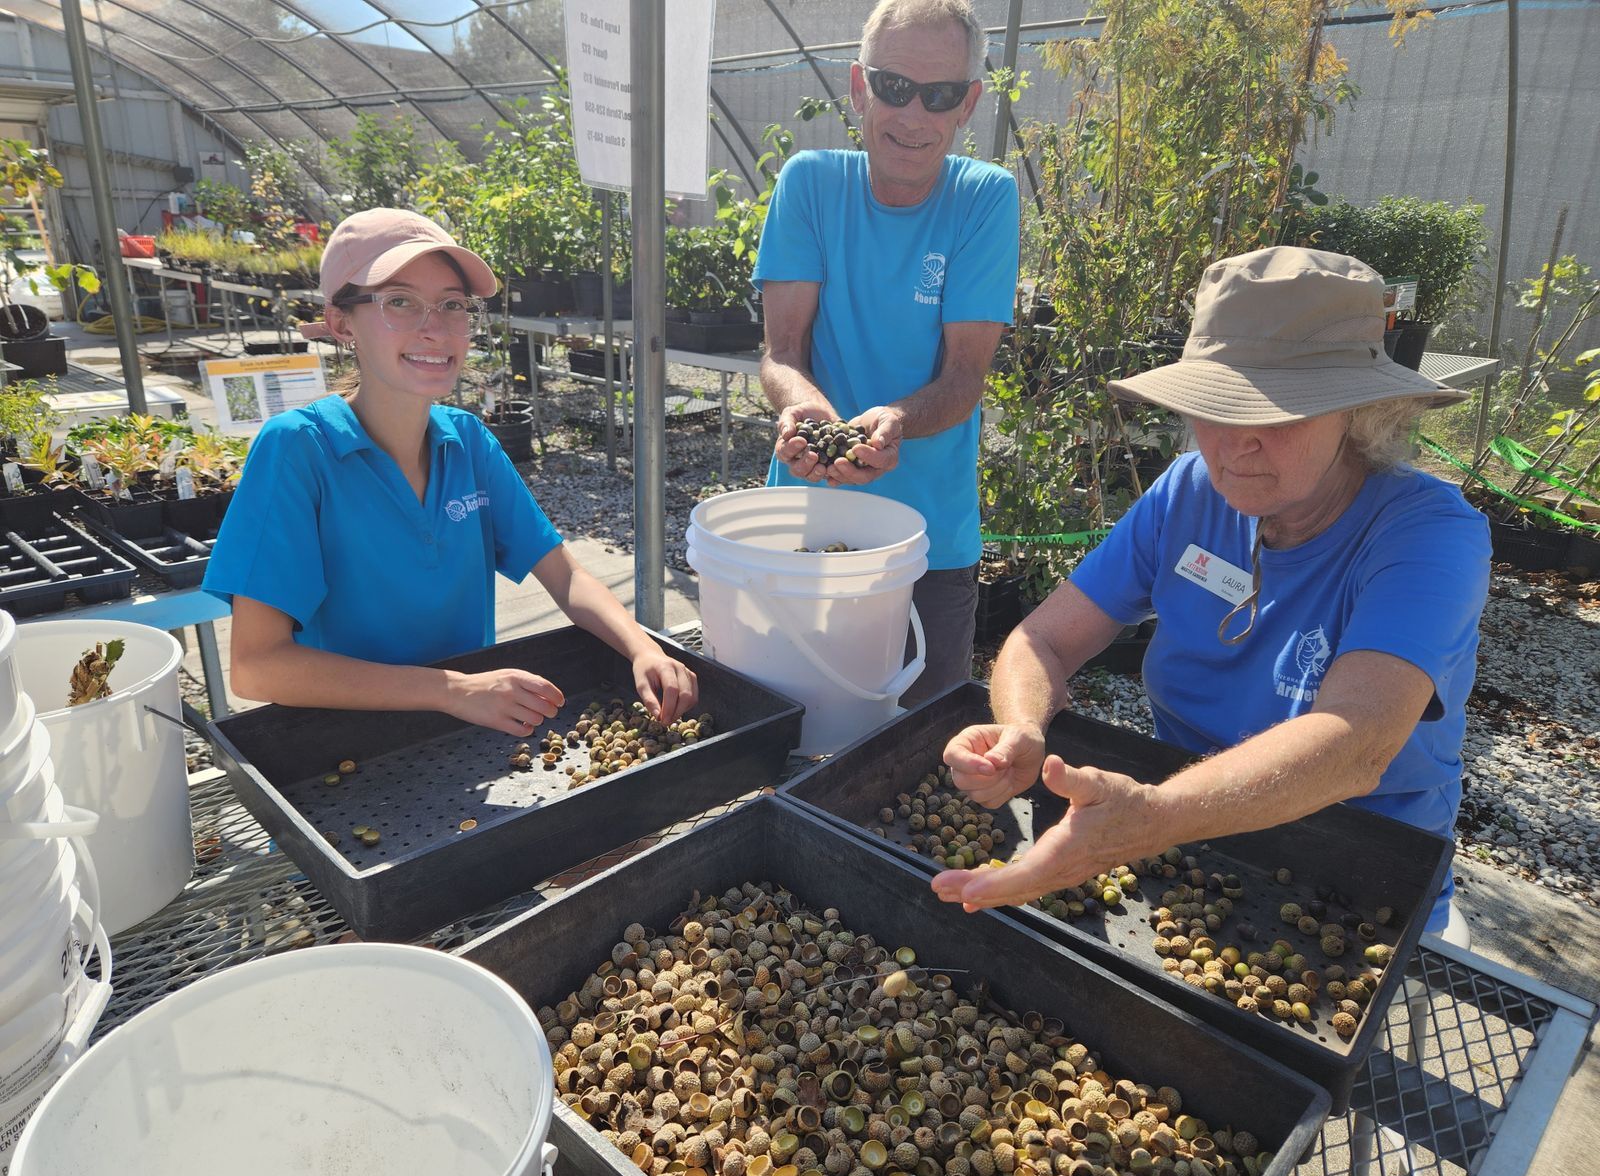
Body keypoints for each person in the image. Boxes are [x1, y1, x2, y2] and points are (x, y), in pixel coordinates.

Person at [935, 246, 1487, 932]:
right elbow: (1040, 638)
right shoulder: (1189, 492)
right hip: (1190, 838)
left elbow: (1357, 744)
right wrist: (1021, 727)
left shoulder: (1428, 533)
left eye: (1278, 413)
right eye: (1215, 406)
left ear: (1360, 413)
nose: (1234, 444)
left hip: (1354, 878)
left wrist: (1156, 818)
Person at [203, 208, 696, 735]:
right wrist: (451, 690)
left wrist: (642, 647)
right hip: (347, 745)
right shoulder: (299, 451)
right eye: (399, 302)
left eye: (452, 305)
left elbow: (565, 575)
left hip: (464, 733)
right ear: (342, 322)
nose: (435, 328)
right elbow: (257, 667)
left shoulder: (468, 443)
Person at [754, 0, 1020, 706]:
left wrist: (893, 420)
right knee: (795, 733)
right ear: (858, 86)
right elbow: (782, 353)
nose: (913, 117)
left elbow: (964, 378)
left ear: (968, 104)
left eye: (938, 96)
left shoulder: (983, 200)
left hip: (930, 541)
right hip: (810, 520)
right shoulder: (809, 183)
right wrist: (807, 411)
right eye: (895, 87)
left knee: (919, 748)